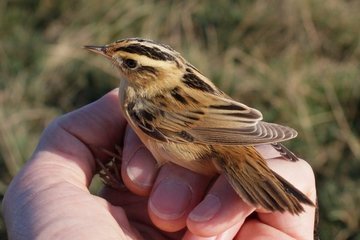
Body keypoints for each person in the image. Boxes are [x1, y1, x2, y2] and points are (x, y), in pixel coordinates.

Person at [3, 90, 317, 239]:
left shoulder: (142, 106)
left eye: (128, 64)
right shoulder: (133, 99)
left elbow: (203, 129)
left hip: (216, 141)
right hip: (230, 134)